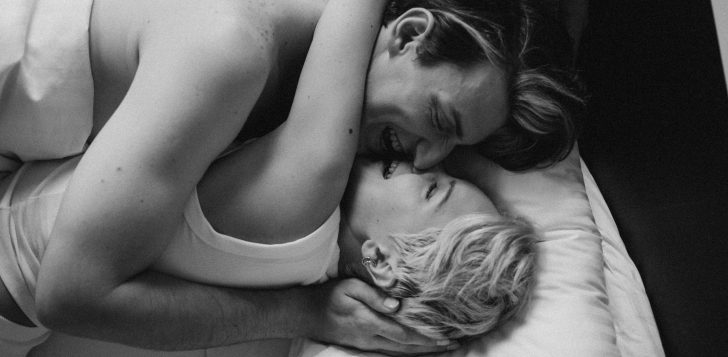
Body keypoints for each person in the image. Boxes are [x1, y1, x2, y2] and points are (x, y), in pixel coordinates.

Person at [2, 0, 579, 354]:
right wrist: (307, 314)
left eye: (453, 148)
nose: (427, 158)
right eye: (439, 121)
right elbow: (69, 294)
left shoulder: (311, 78)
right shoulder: (234, 52)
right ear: (407, 35)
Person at [0, 147, 537, 355]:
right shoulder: (305, 286)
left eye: (432, 189)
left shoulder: (303, 201)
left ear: (380, 260)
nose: (425, 159)